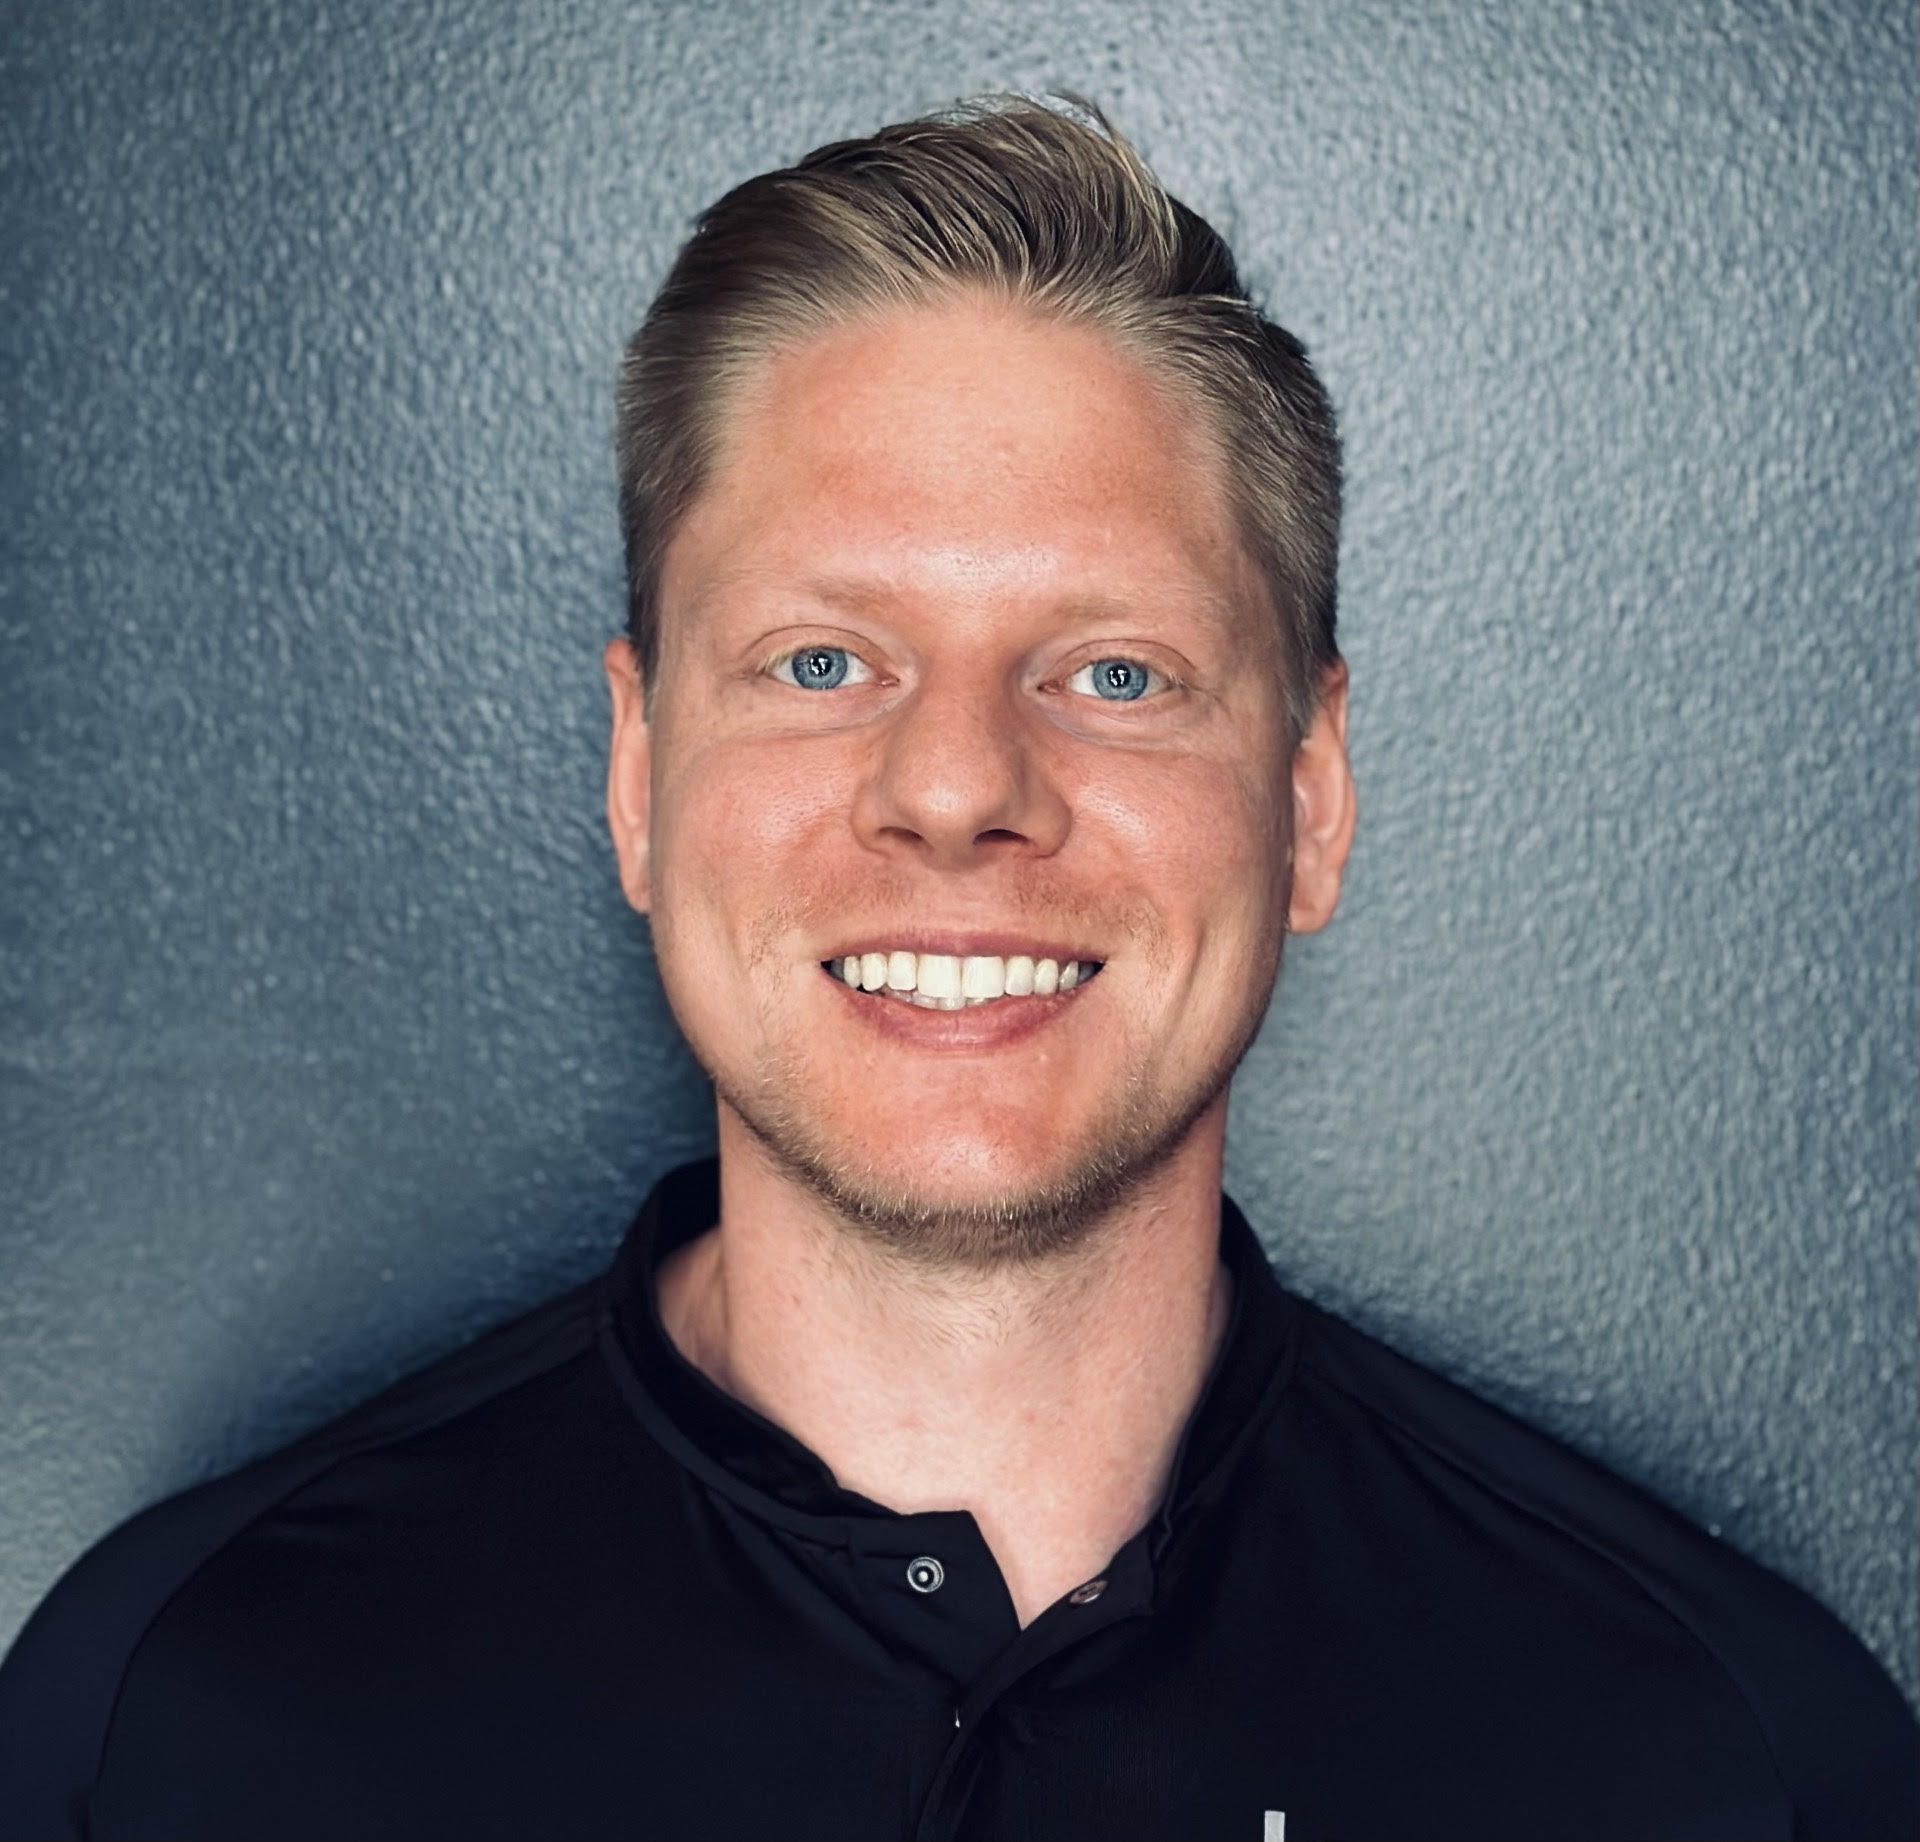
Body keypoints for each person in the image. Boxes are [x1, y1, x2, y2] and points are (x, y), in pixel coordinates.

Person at [1, 89, 1913, 1842]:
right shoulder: (177, 1721)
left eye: (1114, 673)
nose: (957, 789)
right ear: (641, 777)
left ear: (1310, 798)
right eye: (824, 661)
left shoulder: (1723, 1757)